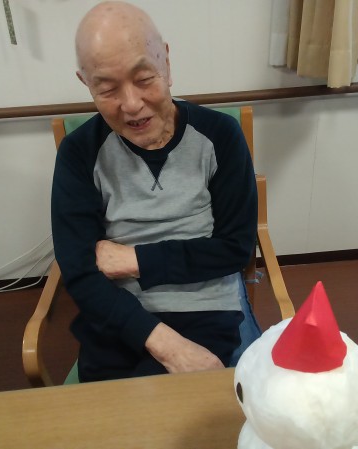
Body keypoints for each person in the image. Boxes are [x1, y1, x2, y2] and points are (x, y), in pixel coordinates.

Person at [51, 1, 260, 382]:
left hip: (204, 311)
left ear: (166, 61)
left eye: (144, 78)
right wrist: (165, 343)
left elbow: (235, 248)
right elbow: (80, 272)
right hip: (115, 313)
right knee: (110, 413)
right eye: (107, 89)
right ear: (86, 83)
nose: (132, 105)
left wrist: (136, 259)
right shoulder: (79, 152)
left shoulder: (220, 137)